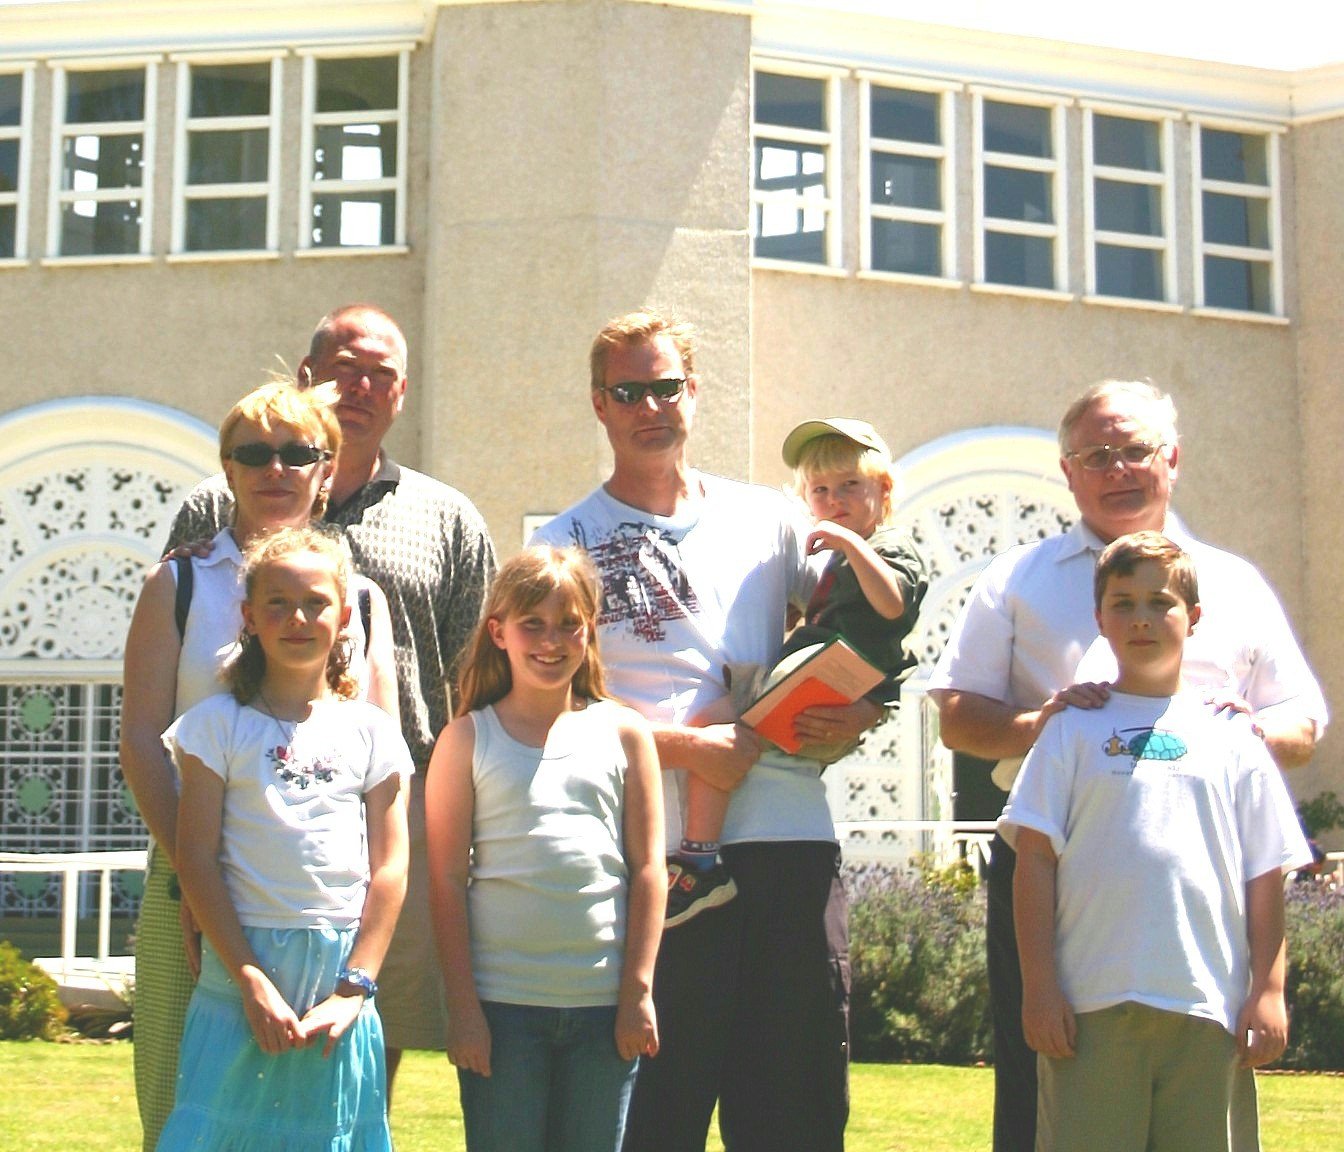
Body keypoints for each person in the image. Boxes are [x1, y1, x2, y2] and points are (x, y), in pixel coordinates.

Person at [927, 379, 1328, 1152]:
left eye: (1135, 450)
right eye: (1096, 455)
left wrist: (1249, 736)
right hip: (1051, 864)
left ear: (1171, 459)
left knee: (1201, 1089)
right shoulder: (1017, 579)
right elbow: (958, 718)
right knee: (1042, 1074)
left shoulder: (1232, 583)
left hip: (1206, 877)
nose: (1118, 469)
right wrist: (1041, 725)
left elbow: (1302, 720)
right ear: (1068, 471)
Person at [532, 309, 880, 1152]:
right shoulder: (563, 542)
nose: (650, 405)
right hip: (654, 865)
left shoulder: (771, 519)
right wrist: (691, 749)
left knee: (794, 1117)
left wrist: (863, 711)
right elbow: (545, 715)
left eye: (666, 386)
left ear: (693, 393)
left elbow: (859, 631)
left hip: (788, 842)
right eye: (629, 391)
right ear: (599, 405)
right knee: (657, 1118)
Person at [165, 304, 498, 1089]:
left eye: (381, 373)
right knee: (227, 1046)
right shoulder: (216, 506)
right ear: (307, 376)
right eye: (345, 367)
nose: (362, 386)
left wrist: (460, 825)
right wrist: (187, 848)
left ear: (403, 393)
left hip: (389, 813)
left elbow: (474, 687)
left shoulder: (446, 518)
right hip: (241, 807)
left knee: (358, 1041)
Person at [120, 379, 398, 1151]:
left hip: (318, 906)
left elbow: (379, 752)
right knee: (183, 1100)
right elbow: (143, 738)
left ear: (328, 467)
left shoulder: (361, 601)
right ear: (228, 468)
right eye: (254, 453)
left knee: (316, 1113)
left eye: (298, 453)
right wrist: (188, 875)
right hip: (192, 879)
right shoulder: (178, 583)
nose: (276, 469)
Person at [999, 531, 1312, 1152]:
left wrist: (1269, 991)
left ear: (1193, 619)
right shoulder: (1070, 731)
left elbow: (1265, 874)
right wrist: (1038, 987)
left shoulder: (1234, 738)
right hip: (1089, 1009)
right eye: (1123, 604)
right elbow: (1033, 861)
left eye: (1159, 603)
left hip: (1207, 1007)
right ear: (1099, 620)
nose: (1141, 620)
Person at [157, 525, 411, 1151]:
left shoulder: (372, 731)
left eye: (316, 602)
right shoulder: (215, 726)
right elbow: (196, 858)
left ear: (345, 613)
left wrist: (356, 988)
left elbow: (392, 866)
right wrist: (248, 977)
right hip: (242, 967)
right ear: (248, 616)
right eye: (277, 603)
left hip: (340, 977)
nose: (297, 618)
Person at [424, 546, 664, 1152]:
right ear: (498, 632)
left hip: (601, 1011)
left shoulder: (625, 734)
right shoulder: (466, 739)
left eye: (568, 625)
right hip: (502, 1013)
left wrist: (636, 991)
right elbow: (447, 880)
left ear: (590, 632)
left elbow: (647, 871)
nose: (550, 641)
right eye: (532, 623)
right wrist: (464, 1009)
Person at [666, 417, 927, 927]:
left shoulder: (890, 548)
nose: (835, 501)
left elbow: (893, 605)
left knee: (712, 725)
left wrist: (852, 546)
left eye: (850, 486)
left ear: (884, 488)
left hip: (831, 681)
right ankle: (700, 853)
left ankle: (699, 859)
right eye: (820, 490)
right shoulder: (837, 557)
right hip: (821, 679)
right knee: (710, 728)